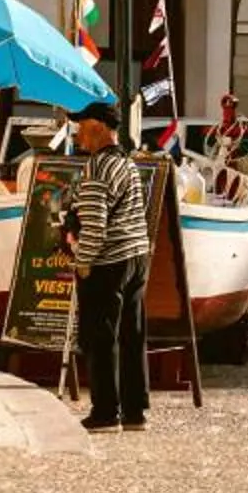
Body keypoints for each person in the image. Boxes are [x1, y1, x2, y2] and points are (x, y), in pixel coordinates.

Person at [62, 98, 152, 431]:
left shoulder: (97, 167)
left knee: (99, 337)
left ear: (98, 128)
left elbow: (95, 224)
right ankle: (134, 411)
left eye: (81, 128)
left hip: (108, 261)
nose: (77, 136)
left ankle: (104, 412)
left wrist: (83, 262)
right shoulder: (127, 163)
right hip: (136, 257)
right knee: (132, 334)